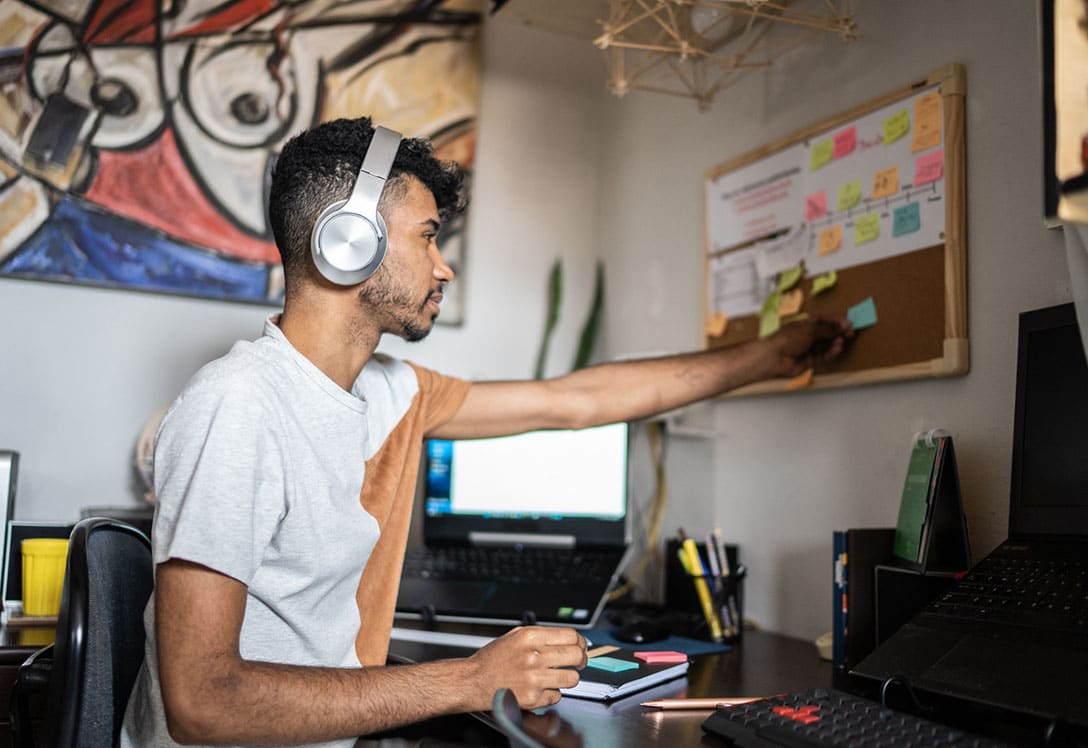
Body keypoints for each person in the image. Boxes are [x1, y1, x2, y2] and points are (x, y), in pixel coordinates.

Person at [121, 117, 853, 748]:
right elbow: (201, 702)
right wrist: (472, 678)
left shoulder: (387, 390)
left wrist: (769, 355)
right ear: (347, 242)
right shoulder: (239, 405)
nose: (443, 267)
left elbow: (571, 402)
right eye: (428, 236)